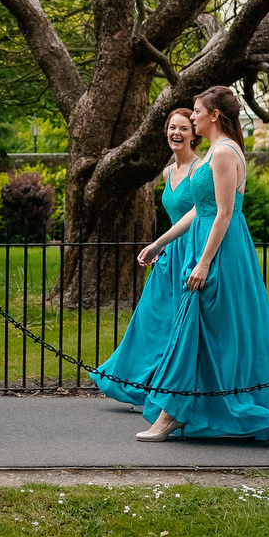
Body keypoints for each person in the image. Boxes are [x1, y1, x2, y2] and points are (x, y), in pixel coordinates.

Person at [134, 86, 269, 442]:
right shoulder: (218, 151)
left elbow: (223, 214)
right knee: (209, 332)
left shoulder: (222, 153)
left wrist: (203, 264)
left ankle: (171, 415)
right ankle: (183, 411)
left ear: (215, 115)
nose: (192, 118)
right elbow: (197, 210)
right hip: (208, 245)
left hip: (218, 252)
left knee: (195, 327)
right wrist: (160, 242)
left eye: (197, 112)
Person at [91, 108, 200, 408]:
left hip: (193, 253)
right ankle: (132, 382)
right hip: (170, 254)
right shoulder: (167, 172)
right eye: (171, 128)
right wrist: (163, 247)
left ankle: (169, 388)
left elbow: (197, 215)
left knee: (180, 325)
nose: (176, 133)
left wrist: (157, 243)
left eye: (183, 129)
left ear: (194, 134)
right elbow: (175, 217)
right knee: (150, 320)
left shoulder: (200, 169)